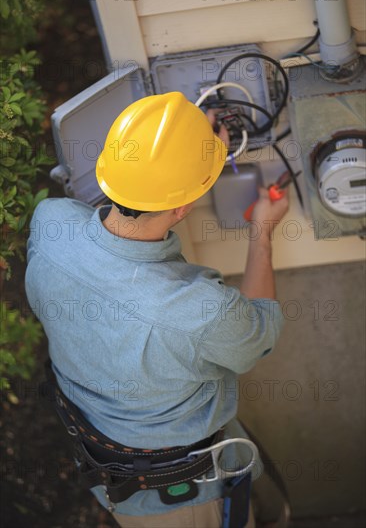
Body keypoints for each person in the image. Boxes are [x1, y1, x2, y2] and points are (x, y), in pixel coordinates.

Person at [25, 92, 289, 528]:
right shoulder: (199, 310)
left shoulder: (51, 225)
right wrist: (261, 233)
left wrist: (185, 145)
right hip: (176, 503)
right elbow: (259, 336)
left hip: (103, 462)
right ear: (184, 207)